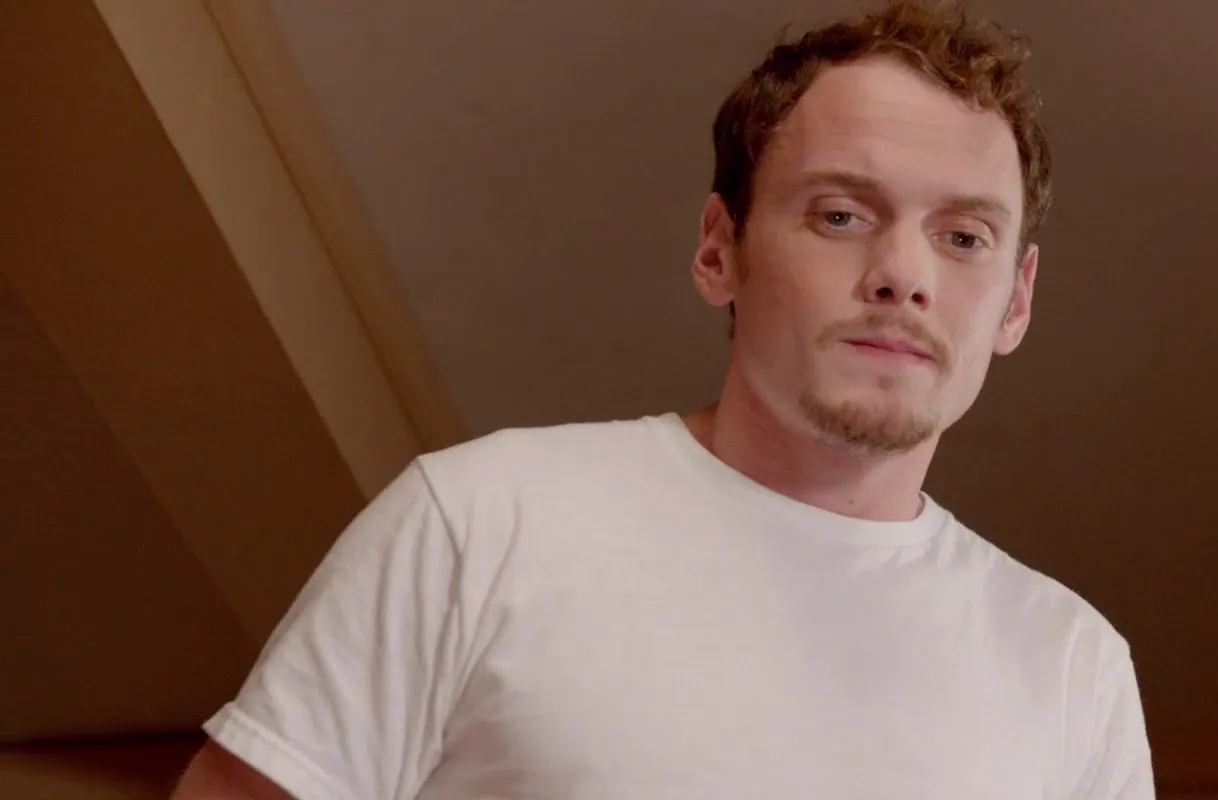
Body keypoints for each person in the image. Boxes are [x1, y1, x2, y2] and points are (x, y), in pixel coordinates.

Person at [171, 0, 1154, 797]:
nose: (904, 274)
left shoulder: (1071, 668)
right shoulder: (481, 523)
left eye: (964, 237)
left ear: (1016, 300)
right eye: (841, 215)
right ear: (719, 249)